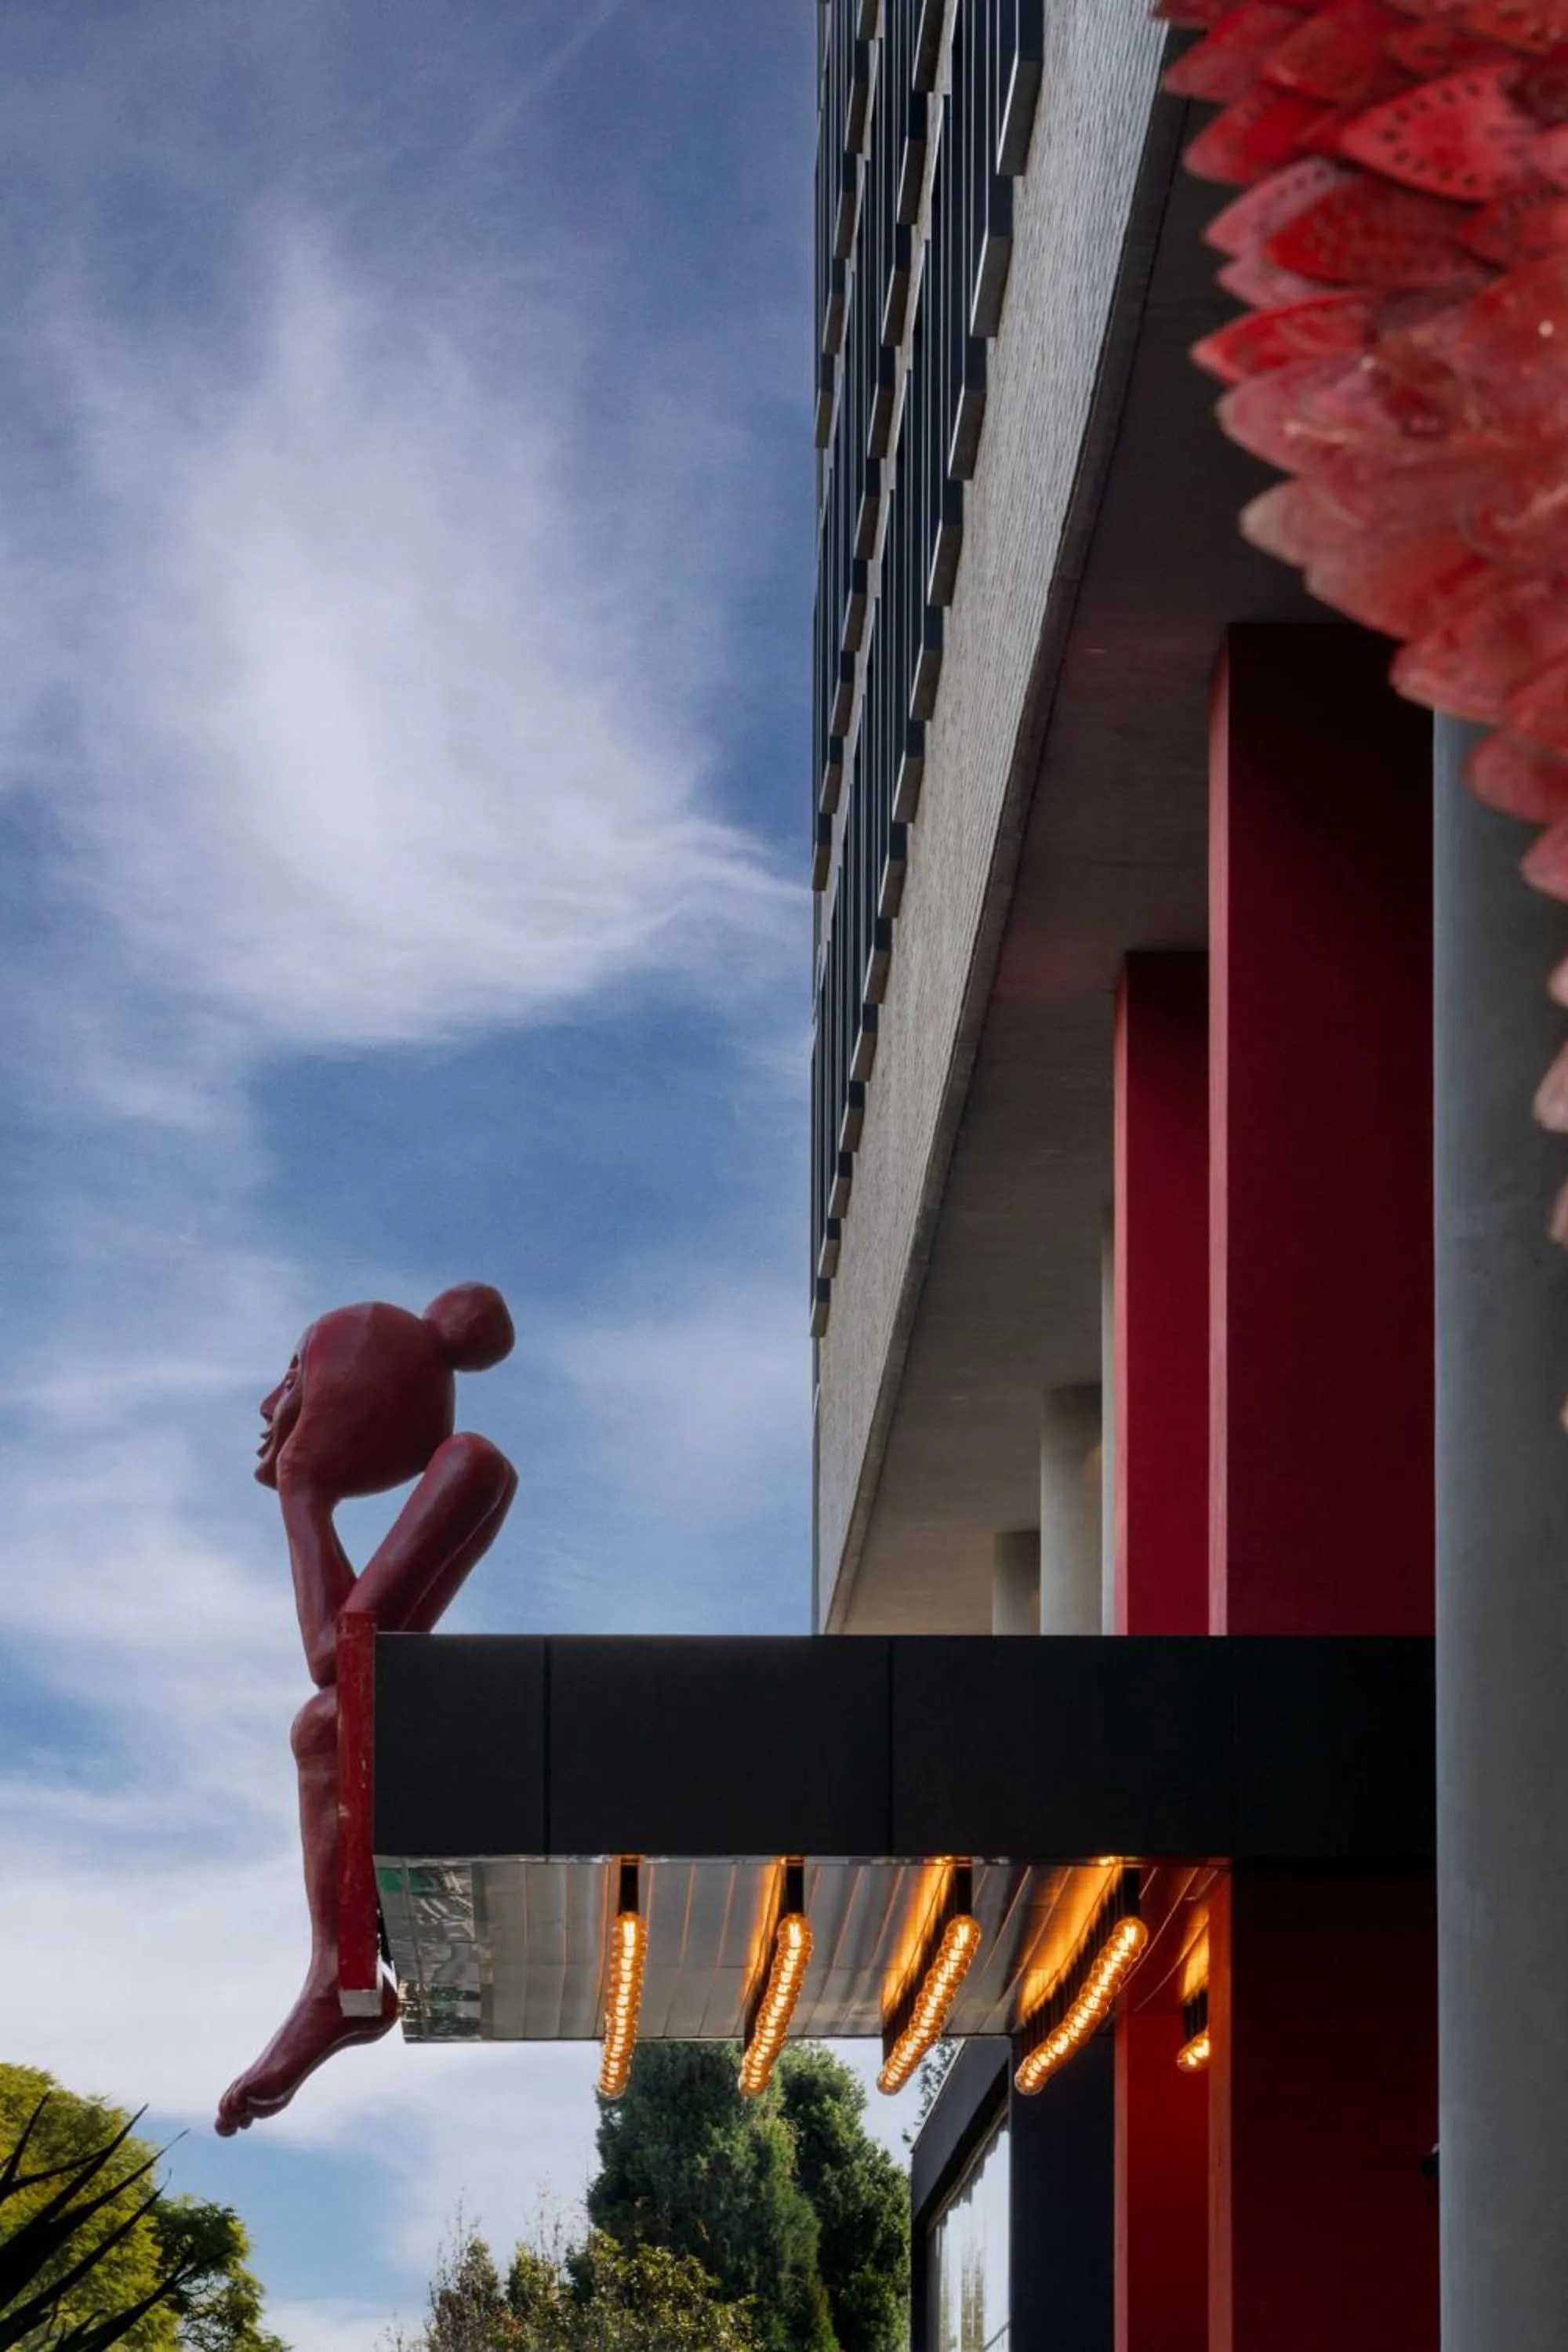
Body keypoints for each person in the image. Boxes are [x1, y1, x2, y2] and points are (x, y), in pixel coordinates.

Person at [215, 1284, 517, 2136]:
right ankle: (336, 1981)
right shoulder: (469, 1468)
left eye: (292, 1378)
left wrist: (303, 1493)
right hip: (440, 1730)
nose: (273, 1405)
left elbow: (333, 1653)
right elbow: (359, 1664)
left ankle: (334, 1978)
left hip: (524, 1747)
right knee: (333, 1721)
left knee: (329, 1718)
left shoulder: (468, 1464)